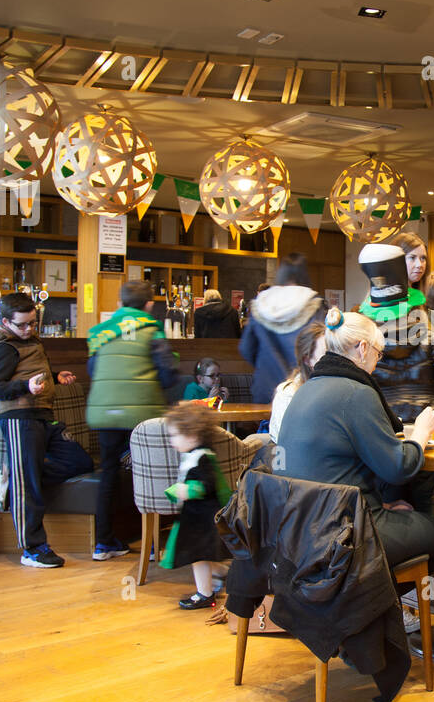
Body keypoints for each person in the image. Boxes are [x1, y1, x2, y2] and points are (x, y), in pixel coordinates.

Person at [275, 308, 434, 581]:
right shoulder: (357, 392)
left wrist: (380, 507)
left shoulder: (306, 389)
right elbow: (398, 467)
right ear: (362, 348)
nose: (378, 362)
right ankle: (392, 608)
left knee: (400, 504)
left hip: (300, 529)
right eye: (379, 354)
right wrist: (422, 433)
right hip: (345, 532)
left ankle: (384, 606)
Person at [0, 292, 93, 568]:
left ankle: (17, 479)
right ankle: (32, 548)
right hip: (19, 417)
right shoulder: (4, 348)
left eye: (33, 323)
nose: (29, 329)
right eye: (22, 325)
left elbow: (30, 369)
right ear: (6, 322)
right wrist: (24, 388)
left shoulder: (30, 341)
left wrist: (55, 376)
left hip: (44, 415)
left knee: (78, 460)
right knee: (28, 485)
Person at [86, 281, 182, 560]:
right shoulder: (152, 330)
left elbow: (93, 369)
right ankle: (153, 547)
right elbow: (168, 374)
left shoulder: (100, 332)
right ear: (149, 305)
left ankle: (104, 543)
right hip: (143, 416)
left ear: (119, 304)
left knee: (108, 474)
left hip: (104, 414)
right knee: (152, 474)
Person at [357, 243, 434, 428]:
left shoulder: (365, 346)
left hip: (386, 428)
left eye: (423, 258)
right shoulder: (428, 337)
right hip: (432, 427)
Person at [161, 401, 235, 617]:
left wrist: (186, 490)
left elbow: (206, 484)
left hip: (201, 520)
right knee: (205, 556)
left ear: (192, 436)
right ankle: (222, 575)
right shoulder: (197, 454)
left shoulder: (202, 457)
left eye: (175, 435)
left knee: (199, 557)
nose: (172, 441)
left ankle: (205, 594)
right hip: (197, 517)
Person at [238, 254, 324, 404]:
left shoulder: (260, 304)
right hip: (302, 388)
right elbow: (322, 349)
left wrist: (264, 364)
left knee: (266, 427)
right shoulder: (314, 305)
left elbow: (246, 348)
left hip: (265, 387)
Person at [268, 322, 326, 443]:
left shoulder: (339, 388)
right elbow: (285, 441)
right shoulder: (288, 394)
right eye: (326, 354)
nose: (335, 359)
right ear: (307, 359)